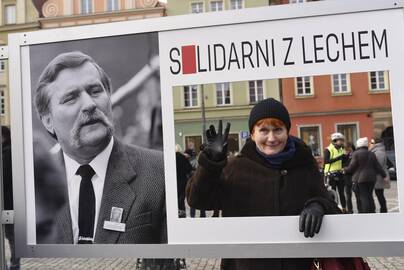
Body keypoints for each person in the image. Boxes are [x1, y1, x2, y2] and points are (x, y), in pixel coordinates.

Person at [186, 98, 340, 270]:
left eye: (278, 129)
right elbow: (197, 200)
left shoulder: (305, 164)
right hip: (246, 264)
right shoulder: (235, 168)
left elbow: (329, 203)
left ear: (287, 131)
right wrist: (210, 164)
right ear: (252, 134)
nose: (271, 138)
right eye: (264, 130)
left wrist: (318, 206)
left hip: (299, 263)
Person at [34, 51, 167, 246]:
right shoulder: (34, 188)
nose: (89, 104)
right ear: (48, 121)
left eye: (95, 91)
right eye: (71, 98)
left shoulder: (160, 172)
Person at [344, 137, 387, 213]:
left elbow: (352, 166)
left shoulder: (356, 154)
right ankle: (372, 211)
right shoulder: (371, 153)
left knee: (363, 196)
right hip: (372, 178)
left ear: (358, 145)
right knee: (370, 195)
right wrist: (384, 175)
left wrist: (345, 170)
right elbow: (377, 166)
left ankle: (366, 212)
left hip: (361, 178)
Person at [2, 126, 21, 270]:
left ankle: (15, 265)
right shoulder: (8, 152)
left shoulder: (7, 154)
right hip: (9, 203)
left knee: (12, 236)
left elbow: (4, 180)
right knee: (11, 236)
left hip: (9, 204)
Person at [323, 132, 347, 213]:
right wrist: (339, 158)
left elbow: (342, 161)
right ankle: (333, 209)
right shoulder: (328, 149)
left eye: (342, 140)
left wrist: (345, 158)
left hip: (339, 173)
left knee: (341, 192)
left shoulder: (341, 149)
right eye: (340, 140)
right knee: (333, 193)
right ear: (334, 141)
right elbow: (326, 161)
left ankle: (344, 208)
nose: (342, 142)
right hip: (330, 174)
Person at [370, 138, 391, 213]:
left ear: (376, 144)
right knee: (379, 194)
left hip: (379, 176)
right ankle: (383, 209)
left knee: (380, 194)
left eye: (372, 142)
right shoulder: (377, 151)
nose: (370, 144)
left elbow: (379, 164)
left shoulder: (379, 152)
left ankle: (383, 210)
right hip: (378, 176)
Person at [342, 142, 357, 213]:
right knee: (348, 196)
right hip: (347, 178)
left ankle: (360, 210)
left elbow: (352, 167)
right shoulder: (344, 156)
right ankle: (350, 211)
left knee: (357, 195)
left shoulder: (354, 155)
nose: (345, 150)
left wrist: (345, 169)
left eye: (346, 149)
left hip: (353, 177)